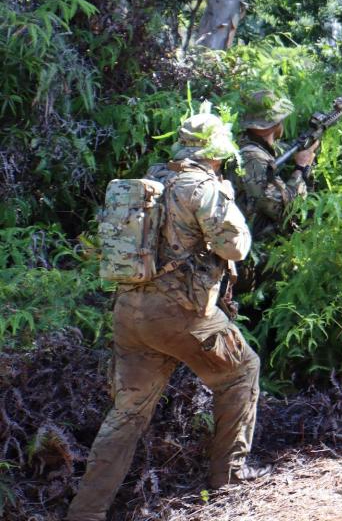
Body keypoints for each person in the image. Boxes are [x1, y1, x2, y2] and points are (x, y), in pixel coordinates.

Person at [67, 109, 267, 521]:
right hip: (180, 313)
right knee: (241, 371)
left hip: (130, 312)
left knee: (127, 413)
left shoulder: (152, 181)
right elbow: (235, 248)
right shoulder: (202, 186)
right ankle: (228, 484)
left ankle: (85, 512)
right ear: (217, 150)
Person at [233, 89, 318, 241]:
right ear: (274, 124)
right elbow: (289, 212)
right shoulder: (253, 159)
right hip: (257, 249)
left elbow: (278, 151)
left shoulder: (247, 143)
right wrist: (301, 168)